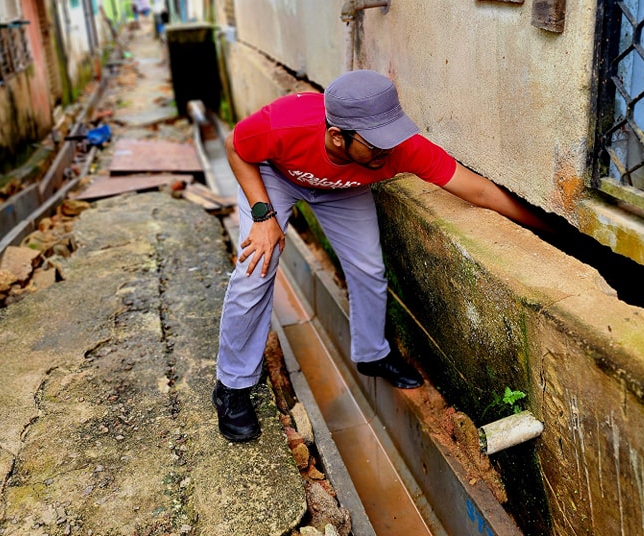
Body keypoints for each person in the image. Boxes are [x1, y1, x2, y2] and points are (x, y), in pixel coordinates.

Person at [212, 70, 548, 442]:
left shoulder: (395, 147)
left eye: (391, 139)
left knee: (369, 268)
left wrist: (548, 230)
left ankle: (372, 353)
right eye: (376, 144)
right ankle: (232, 385)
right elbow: (234, 146)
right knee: (255, 269)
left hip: (343, 189)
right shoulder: (283, 123)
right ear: (337, 137)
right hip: (277, 179)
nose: (388, 151)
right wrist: (263, 215)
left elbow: (479, 191)